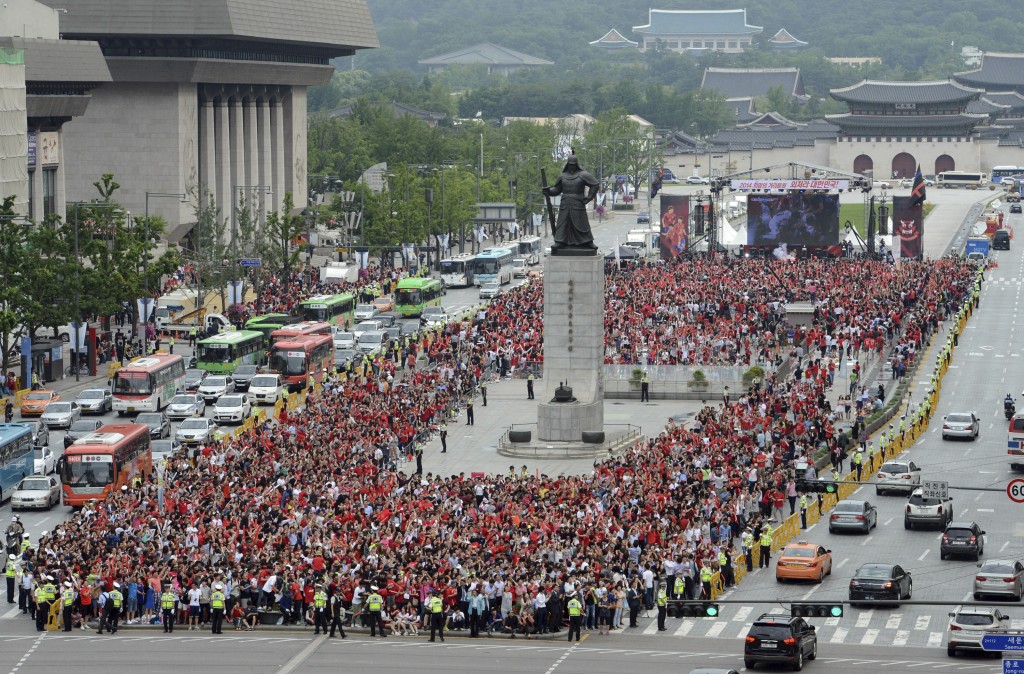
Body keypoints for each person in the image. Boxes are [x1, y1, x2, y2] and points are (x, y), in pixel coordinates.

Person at [543, 154, 599, 252]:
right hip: (565, 204)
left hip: (578, 203)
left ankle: (588, 241)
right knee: (562, 223)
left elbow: (595, 184)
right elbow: (557, 189)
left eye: (573, 165)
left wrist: (589, 197)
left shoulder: (583, 175)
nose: (571, 166)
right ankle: (560, 241)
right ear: (567, 165)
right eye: (569, 164)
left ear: (576, 164)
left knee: (582, 224)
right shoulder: (563, 176)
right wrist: (549, 191)